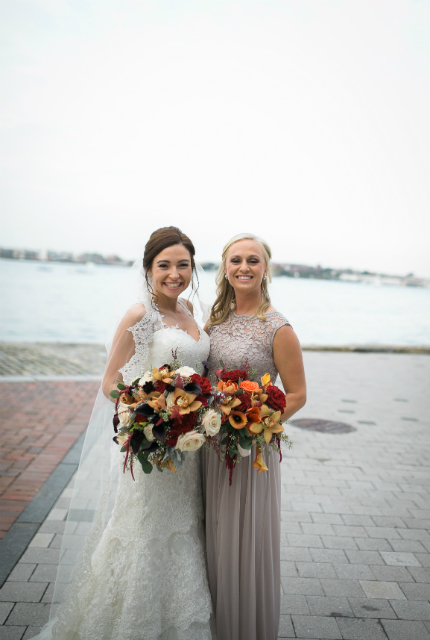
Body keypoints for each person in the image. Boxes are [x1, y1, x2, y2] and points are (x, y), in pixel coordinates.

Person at [33, 227, 214, 640]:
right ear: (149, 268)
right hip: (154, 444)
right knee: (144, 530)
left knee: (185, 526)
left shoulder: (189, 309)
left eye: (182, 265)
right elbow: (111, 382)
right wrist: (153, 410)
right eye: (164, 265)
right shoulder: (140, 316)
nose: (174, 273)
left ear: (192, 268)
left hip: (190, 448)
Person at [201, 233, 307, 640]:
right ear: (225, 268)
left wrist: (256, 422)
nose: (244, 267)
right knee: (211, 536)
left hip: (250, 451)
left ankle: (244, 627)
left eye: (253, 260)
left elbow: (297, 395)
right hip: (210, 448)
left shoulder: (278, 328)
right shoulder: (214, 322)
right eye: (235, 260)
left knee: (243, 543)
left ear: (265, 268)